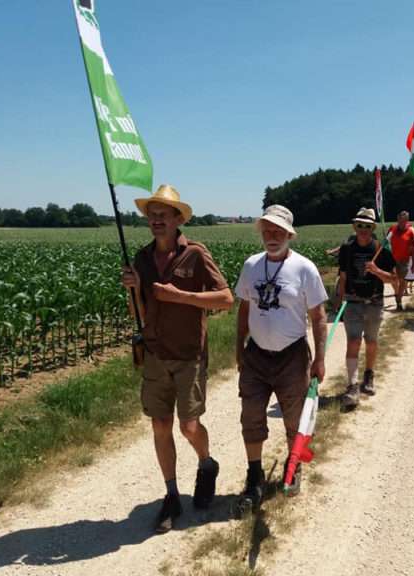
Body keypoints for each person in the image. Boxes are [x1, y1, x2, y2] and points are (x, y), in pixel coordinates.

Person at [121, 184, 234, 534]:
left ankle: (206, 464)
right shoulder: (140, 258)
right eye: (151, 215)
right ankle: (171, 495)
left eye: (163, 215)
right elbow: (139, 311)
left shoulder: (196, 255)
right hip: (155, 354)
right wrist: (132, 291)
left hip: (188, 355)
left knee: (189, 426)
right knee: (159, 425)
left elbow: (226, 299)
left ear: (177, 219)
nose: (156, 220)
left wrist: (180, 296)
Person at [234, 205, 328, 514]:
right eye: (267, 231)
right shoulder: (251, 266)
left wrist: (320, 359)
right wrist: (239, 347)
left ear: (289, 234)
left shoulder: (304, 269)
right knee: (251, 416)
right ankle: (254, 474)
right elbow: (244, 310)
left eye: (278, 231)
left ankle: (293, 467)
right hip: (256, 355)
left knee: (293, 417)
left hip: (292, 356)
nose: (272, 237)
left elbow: (318, 317)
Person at [336, 207, 397, 410]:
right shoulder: (346, 249)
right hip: (352, 302)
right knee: (353, 341)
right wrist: (338, 302)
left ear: (372, 228)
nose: (363, 229)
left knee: (371, 342)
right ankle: (352, 385)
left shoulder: (381, 249)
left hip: (374, 303)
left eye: (367, 226)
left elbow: (394, 279)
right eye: (359, 225)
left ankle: (369, 374)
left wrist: (377, 270)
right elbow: (343, 277)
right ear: (354, 227)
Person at [387, 210, 414, 311]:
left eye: (404, 220)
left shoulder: (410, 232)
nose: (402, 222)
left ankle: (398, 301)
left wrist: (413, 264)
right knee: (394, 280)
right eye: (400, 219)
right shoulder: (392, 229)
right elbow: (386, 242)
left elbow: (413, 250)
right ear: (398, 219)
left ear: (407, 220)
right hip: (392, 260)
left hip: (404, 260)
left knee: (403, 282)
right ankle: (397, 296)